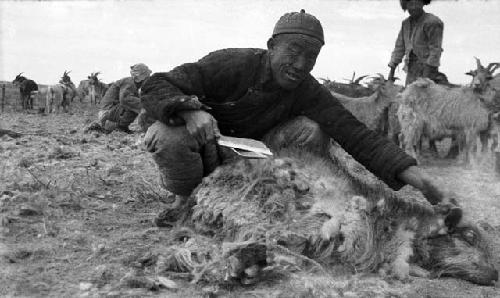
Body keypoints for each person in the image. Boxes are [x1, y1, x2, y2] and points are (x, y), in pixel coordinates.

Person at [140, 9, 461, 227]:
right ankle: (183, 203)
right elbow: (156, 84)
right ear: (271, 47)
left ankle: (295, 196)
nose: (300, 63)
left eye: (311, 57)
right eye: (293, 52)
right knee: (168, 137)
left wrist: (423, 183)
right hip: (206, 147)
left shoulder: (306, 89)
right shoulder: (231, 63)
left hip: (255, 158)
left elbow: (356, 135)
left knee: (313, 130)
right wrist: (189, 110)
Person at [388, 0, 445, 86]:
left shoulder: (432, 22)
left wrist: (425, 79)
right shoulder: (405, 24)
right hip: (411, 69)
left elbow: (435, 50)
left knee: (424, 96)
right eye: (411, 4)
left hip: (428, 70)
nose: (414, 7)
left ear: (423, 3)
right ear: (405, 6)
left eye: (417, 3)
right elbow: (399, 48)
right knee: (408, 97)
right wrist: (391, 73)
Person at [97, 63, 152, 133]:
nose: (147, 79)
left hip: (109, 113)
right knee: (132, 104)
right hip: (106, 114)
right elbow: (125, 99)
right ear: (141, 77)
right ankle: (120, 127)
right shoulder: (129, 82)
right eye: (146, 76)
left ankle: (120, 126)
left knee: (135, 104)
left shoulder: (132, 83)